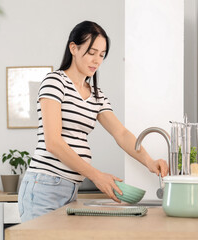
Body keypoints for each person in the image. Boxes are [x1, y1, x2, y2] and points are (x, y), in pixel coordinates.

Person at [18, 20, 168, 222]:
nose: (97, 60)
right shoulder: (55, 82)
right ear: (73, 48)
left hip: (69, 188)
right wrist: (97, 176)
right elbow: (53, 143)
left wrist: (150, 161)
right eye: (91, 52)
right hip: (44, 186)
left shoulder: (96, 95)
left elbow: (121, 133)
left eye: (102, 55)